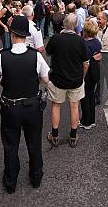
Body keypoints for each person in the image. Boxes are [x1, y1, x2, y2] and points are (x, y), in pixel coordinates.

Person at [0, 16, 50, 194]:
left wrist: (3, 80)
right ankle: (36, 177)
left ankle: (11, 181)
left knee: (11, 145)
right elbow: (46, 79)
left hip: (10, 108)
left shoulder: (1, 57)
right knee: (34, 143)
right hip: (32, 106)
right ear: (26, 35)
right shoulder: (36, 56)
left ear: (13, 34)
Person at [45, 13, 90, 148]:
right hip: (75, 79)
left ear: (64, 24)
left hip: (58, 78)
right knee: (74, 106)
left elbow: (48, 53)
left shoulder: (56, 38)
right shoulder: (81, 41)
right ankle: (73, 135)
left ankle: (54, 135)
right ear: (76, 25)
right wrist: (82, 77)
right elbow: (86, 62)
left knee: (56, 105)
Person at [80, 20, 101, 130]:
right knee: (91, 95)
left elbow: (85, 63)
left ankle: (86, 121)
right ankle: (92, 120)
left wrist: (82, 77)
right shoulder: (97, 42)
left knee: (84, 97)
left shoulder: (84, 44)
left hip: (87, 72)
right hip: (96, 70)